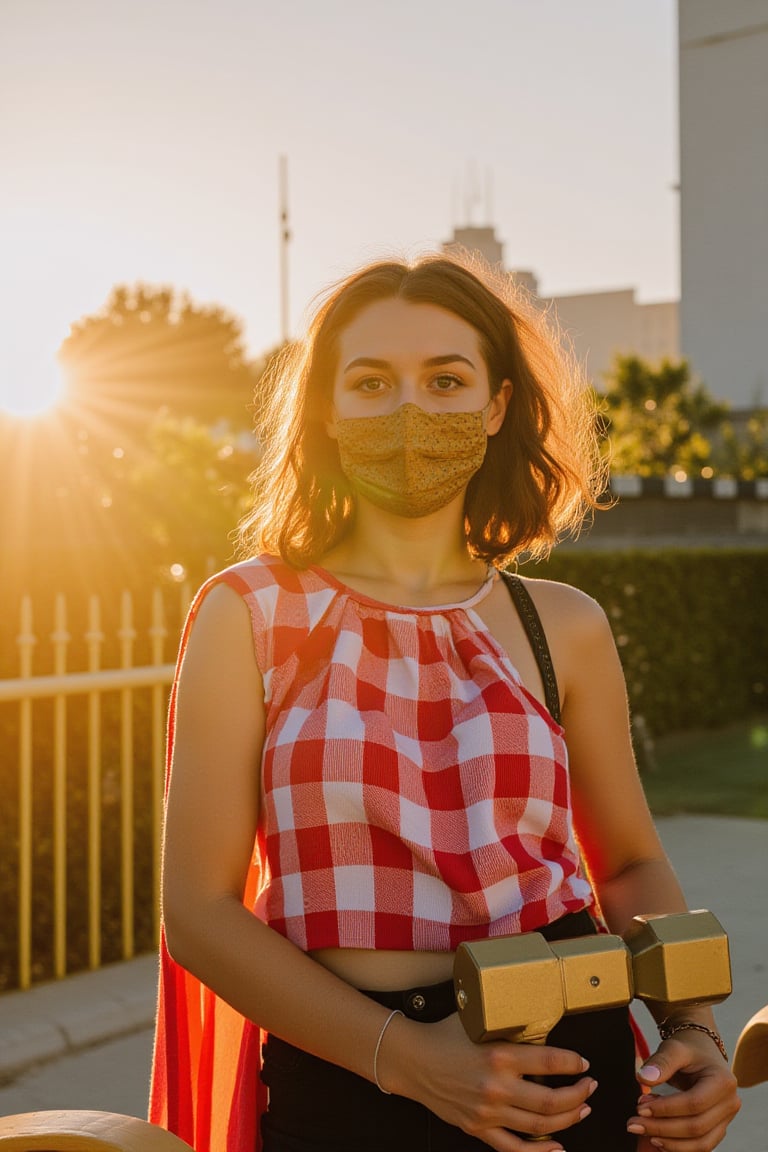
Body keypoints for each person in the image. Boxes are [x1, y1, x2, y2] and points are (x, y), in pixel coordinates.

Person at [149, 253, 740, 1152]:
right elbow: (198, 910)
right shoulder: (249, 612)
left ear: (497, 406)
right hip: (354, 1074)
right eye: (372, 381)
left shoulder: (563, 625)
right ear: (328, 411)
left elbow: (625, 866)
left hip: (572, 1069)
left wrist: (691, 1029)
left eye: (446, 379)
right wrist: (417, 1061)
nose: (409, 409)